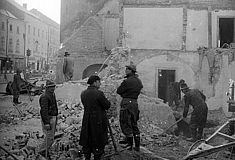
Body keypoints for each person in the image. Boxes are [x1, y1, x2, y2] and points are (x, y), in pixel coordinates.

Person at [79, 75, 111, 160]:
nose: (100, 84)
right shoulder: (99, 93)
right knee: (98, 140)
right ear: (95, 82)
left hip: (86, 120)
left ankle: (87, 156)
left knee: (87, 139)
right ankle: (97, 156)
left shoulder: (83, 93)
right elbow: (107, 105)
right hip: (98, 120)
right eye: (99, 82)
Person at [116, 64, 143, 151]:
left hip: (127, 102)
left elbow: (119, 91)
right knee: (134, 123)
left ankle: (129, 145)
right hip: (135, 103)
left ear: (131, 70)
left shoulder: (127, 81)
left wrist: (125, 95)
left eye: (127, 69)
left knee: (125, 122)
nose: (125, 71)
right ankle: (137, 146)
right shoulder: (138, 81)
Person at [38, 80, 58, 159]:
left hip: (52, 116)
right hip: (48, 118)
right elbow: (44, 110)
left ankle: (45, 150)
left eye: (53, 86)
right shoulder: (44, 97)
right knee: (49, 137)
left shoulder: (52, 94)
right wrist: (46, 123)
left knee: (50, 136)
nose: (53, 88)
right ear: (47, 88)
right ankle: (42, 151)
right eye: (51, 87)